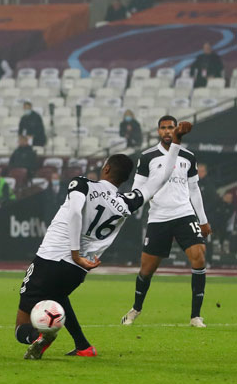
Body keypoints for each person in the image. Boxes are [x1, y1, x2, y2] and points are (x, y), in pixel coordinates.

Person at [16, 121, 191, 359]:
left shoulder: (82, 184)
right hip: (78, 270)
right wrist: (176, 142)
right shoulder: (127, 202)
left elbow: (77, 212)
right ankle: (84, 347)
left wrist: (75, 252)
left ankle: (39, 336)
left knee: (20, 325)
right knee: (58, 295)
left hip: (50, 258)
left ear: (106, 169)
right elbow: (161, 178)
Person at [121, 116, 211, 328]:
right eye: (163, 128)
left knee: (199, 258)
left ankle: (195, 316)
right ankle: (136, 308)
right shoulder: (148, 156)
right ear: (158, 131)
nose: (167, 131)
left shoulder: (188, 156)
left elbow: (194, 189)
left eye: (171, 127)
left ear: (176, 129)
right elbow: (138, 187)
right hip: (159, 217)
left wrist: (203, 220)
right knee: (146, 269)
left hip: (184, 214)